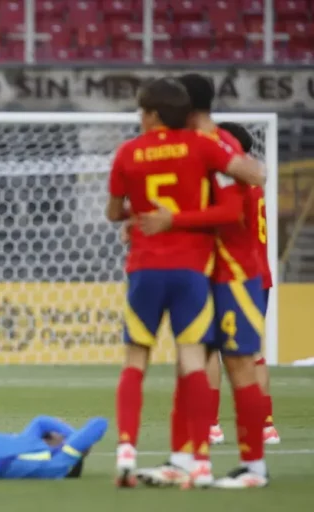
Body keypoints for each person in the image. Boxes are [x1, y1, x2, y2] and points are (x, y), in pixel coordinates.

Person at [105, 77, 265, 489]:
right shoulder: (193, 148)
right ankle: (184, 459)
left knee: (239, 364)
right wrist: (144, 223)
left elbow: (233, 210)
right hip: (197, 267)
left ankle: (253, 467)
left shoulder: (221, 145)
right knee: (189, 363)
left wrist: (171, 220)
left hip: (233, 271)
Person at [211, 121, 280, 446]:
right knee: (253, 353)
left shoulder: (231, 185)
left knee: (208, 350)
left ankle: (211, 425)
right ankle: (265, 425)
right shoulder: (254, 183)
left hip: (232, 275)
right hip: (259, 277)